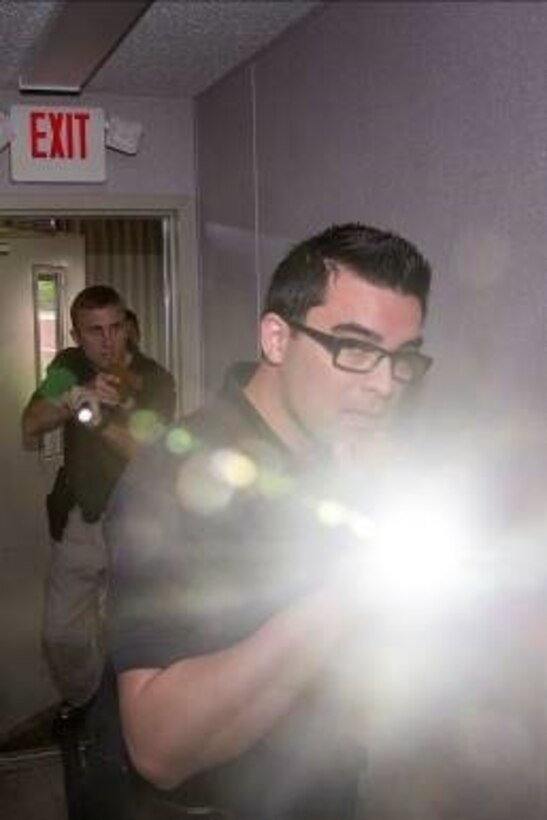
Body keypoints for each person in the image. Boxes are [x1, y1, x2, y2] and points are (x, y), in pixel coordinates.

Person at [104, 224, 433, 820]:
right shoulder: (171, 481)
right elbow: (156, 746)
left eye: (401, 358)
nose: (384, 385)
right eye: (354, 349)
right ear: (277, 339)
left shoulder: (347, 453)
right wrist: (349, 592)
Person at [21, 285, 176, 710]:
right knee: (62, 634)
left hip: (139, 524)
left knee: (131, 633)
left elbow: (149, 453)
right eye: (95, 331)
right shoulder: (67, 366)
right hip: (81, 521)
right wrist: (73, 396)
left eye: (115, 328)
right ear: (76, 335)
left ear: (127, 327)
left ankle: (122, 715)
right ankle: (86, 703)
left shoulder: (155, 379)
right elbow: (30, 423)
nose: (108, 342)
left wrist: (98, 416)